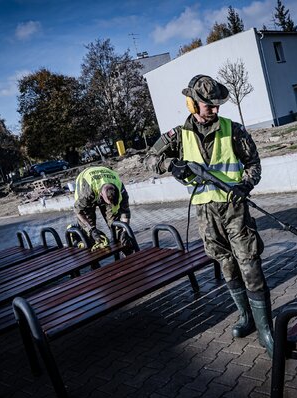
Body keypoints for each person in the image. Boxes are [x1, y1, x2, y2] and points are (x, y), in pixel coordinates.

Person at [143, 74, 273, 356]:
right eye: (208, 105)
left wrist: (245, 184)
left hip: (234, 208)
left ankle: (266, 329)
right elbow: (149, 160)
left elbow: (253, 162)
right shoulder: (177, 136)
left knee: (249, 264)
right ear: (192, 104)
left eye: (217, 105)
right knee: (226, 265)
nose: (215, 109)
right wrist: (171, 165)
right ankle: (246, 317)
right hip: (206, 214)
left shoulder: (233, 130)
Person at [73, 166, 132, 252]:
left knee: (117, 228)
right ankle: (94, 260)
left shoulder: (120, 188)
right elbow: (78, 212)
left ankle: (126, 253)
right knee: (90, 234)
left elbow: (125, 213)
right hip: (86, 185)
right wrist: (91, 229)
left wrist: (125, 232)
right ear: (101, 195)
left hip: (103, 182)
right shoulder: (86, 193)